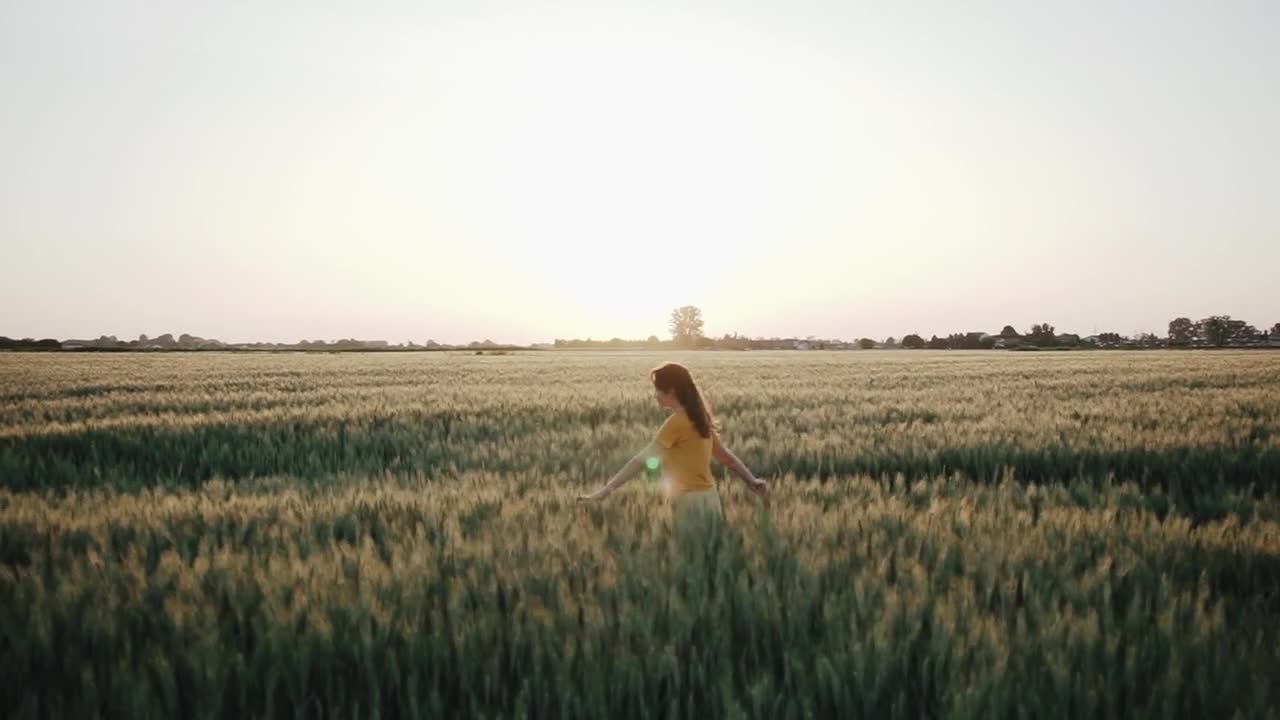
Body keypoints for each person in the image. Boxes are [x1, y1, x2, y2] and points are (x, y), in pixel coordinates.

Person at [577, 362, 768, 525]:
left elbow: (641, 460)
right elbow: (727, 458)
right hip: (710, 500)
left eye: (657, 389)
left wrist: (604, 491)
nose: (655, 395)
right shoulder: (699, 419)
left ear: (672, 391)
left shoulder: (675, 423)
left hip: (689, 503)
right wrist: (751, 480)